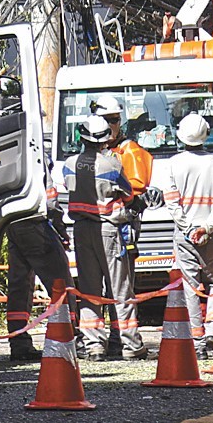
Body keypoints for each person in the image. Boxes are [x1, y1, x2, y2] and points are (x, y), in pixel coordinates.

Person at [56, 115, 144, 361]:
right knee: (120, 289)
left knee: (90, 290)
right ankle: (130, 345)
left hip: (82, 231)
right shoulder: (112, 165)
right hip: (108, 231)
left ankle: (94, 345)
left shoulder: (69, 164)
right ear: (106, 139)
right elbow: (128, 195)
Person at [160, 113, 213, 358]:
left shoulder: (174, 164)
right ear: (206, 134)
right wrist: (207, 227)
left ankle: (197, 342)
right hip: (210, 235)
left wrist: (189, 228)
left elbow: (172, 203)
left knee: (190, 287)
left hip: (184, 236)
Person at [4, 203, 73, 363]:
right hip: (35, 222)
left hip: (12, 222)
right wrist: (60, 228)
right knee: (60, 282)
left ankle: (19, 344)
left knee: (19, 285)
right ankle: (69, 339)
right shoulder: (39, 176)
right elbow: (51, 201)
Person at [92, 95, 154, 200]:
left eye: (114, 120)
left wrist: (111, 189)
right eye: (105, 120)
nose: (109, 125)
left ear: (120, 121)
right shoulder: (94, 149)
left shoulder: (129, 149)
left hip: (119, 211)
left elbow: (138, 185)